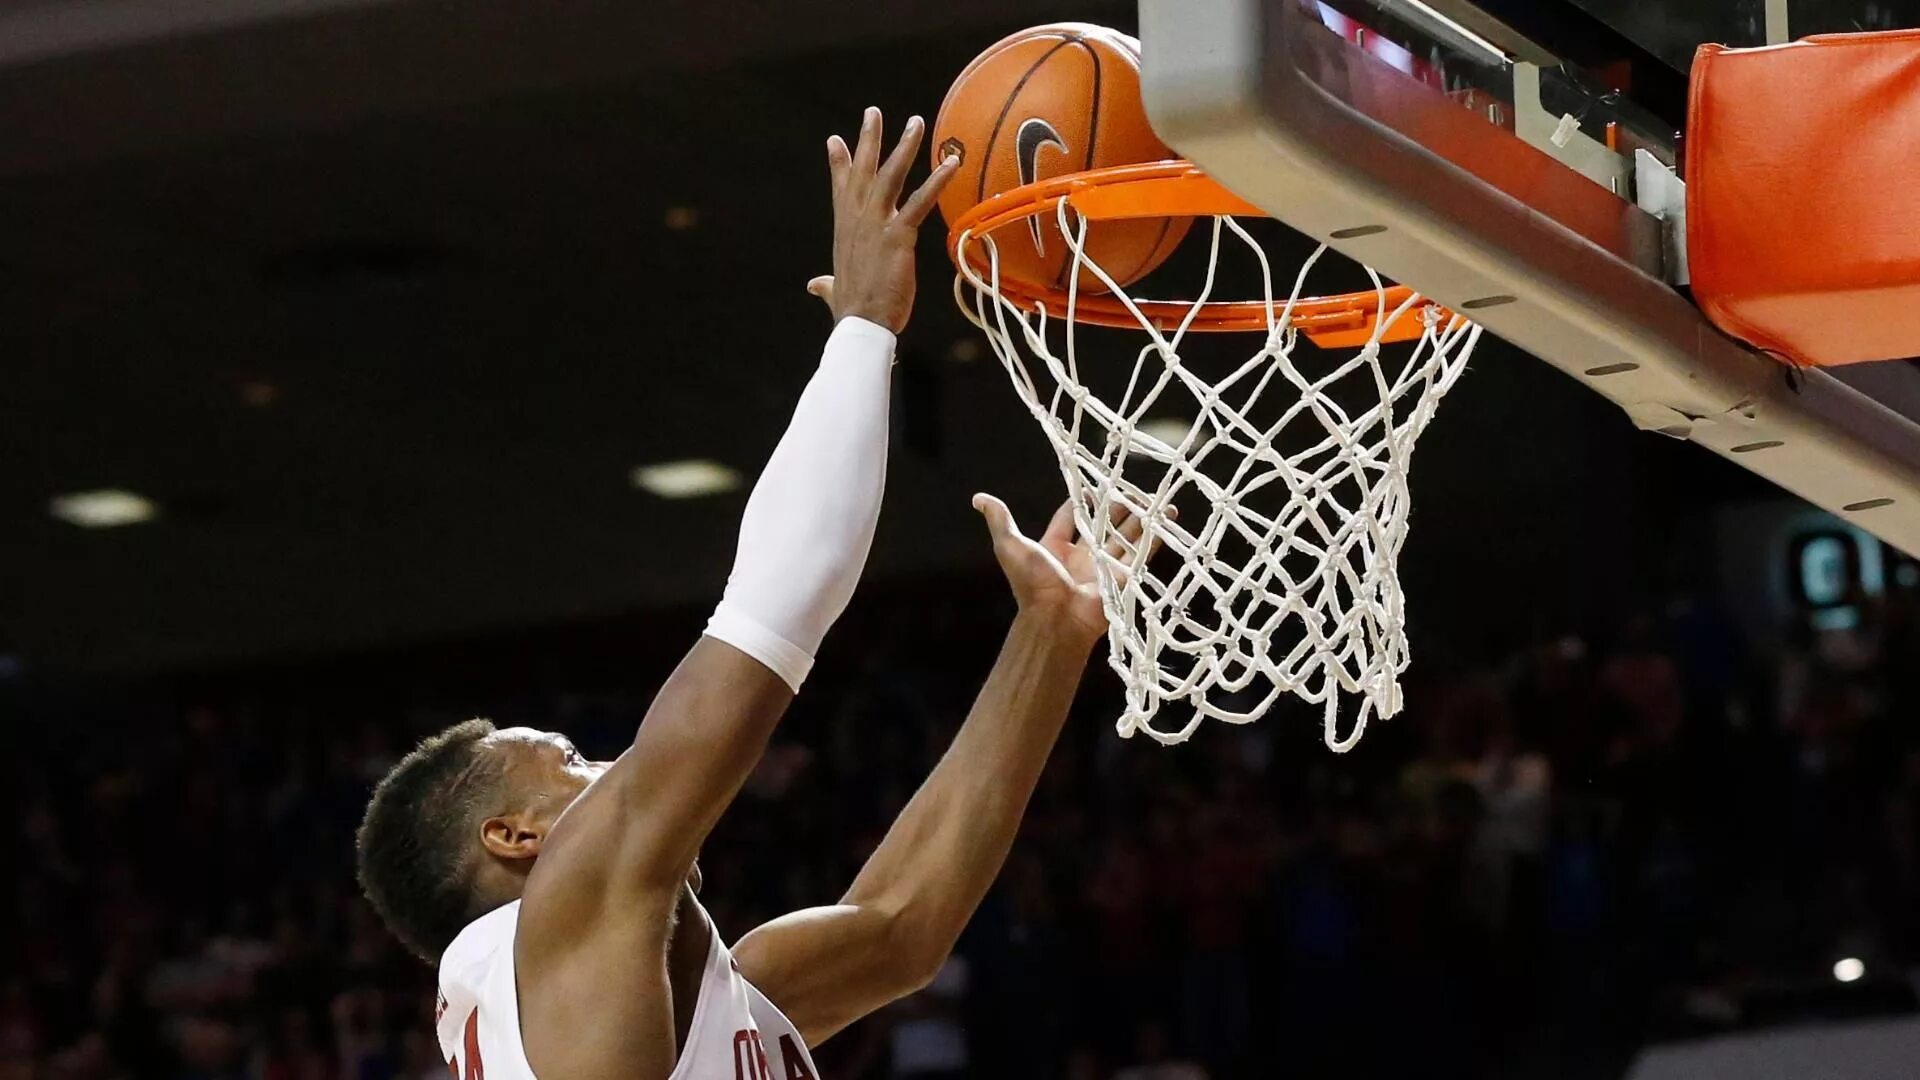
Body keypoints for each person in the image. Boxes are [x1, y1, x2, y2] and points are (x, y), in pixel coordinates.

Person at [354, 107, 1152, 1080]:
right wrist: (864, 329)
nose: (613, 764)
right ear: (516, 838)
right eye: (565, 758)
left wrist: (1051, 636)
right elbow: (773, 611)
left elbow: (899, 930)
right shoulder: (562, 907)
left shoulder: (644, 988)